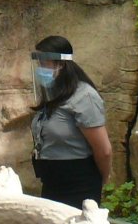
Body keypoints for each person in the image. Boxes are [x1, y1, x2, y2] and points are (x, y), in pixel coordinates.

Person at [29, 34, 111, 208]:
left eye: (44, 62)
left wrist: (102, 178)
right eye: (38, 63)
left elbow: (103, 150)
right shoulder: (53, 94)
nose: (40, 68)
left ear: (61, 63)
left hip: (79, 183)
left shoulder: (84, 96)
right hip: (51, 182)